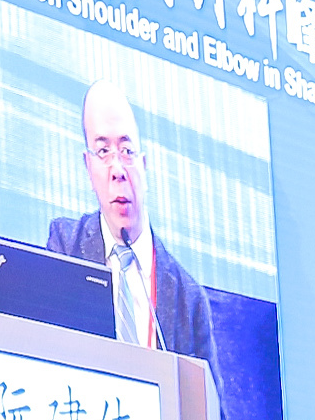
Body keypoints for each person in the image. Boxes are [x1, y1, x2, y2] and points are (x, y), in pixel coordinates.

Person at [45, 81, 220, 374]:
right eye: (103, 151)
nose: (117, 170)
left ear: (144, 164)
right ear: (88, 167)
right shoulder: (66, 247)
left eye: (127, 151)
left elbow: (211, 403)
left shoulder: (188, 300)